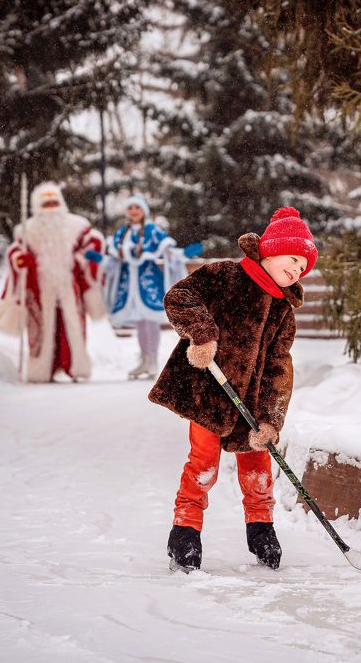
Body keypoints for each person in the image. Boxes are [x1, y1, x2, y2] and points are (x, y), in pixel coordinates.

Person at [148, 206, 318, 572]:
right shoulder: (225, 276)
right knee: (203, 463)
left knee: (257, 465)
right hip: (210, 392)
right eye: (293, 259)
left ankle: (261, 529)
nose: (296, 270)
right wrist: (202, 333)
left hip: (252, 404)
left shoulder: (283, 310)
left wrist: (272, 420)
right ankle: (185, 531)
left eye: (303, 267)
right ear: (270, 250)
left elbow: (278, 365)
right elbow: (180, 298)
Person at [0, 181, 106, 383]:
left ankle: (74, 366)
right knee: (42, 329)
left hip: (69, 286)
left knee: (72, 325)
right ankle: (42, 370)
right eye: (46, 204)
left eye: (54, 202)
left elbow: (93, 242)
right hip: (41, 287)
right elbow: (16, 252)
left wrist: (83, 256)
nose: (51, 208)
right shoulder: (27, 230)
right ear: (37, 206)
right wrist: (20, 259)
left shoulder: (76, 225)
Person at [105, 194, 178, 379]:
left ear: (143, 211)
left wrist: (177, 256)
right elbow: (113, 255)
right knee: (140, 322)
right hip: (129, 283)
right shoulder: (123, 232)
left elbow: (167, 248)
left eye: (137, 208)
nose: (134, 211)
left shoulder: (152, 230)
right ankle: (144, 359)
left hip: (149, 281)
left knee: (150, 320)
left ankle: (153, 359)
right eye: (131, 208)